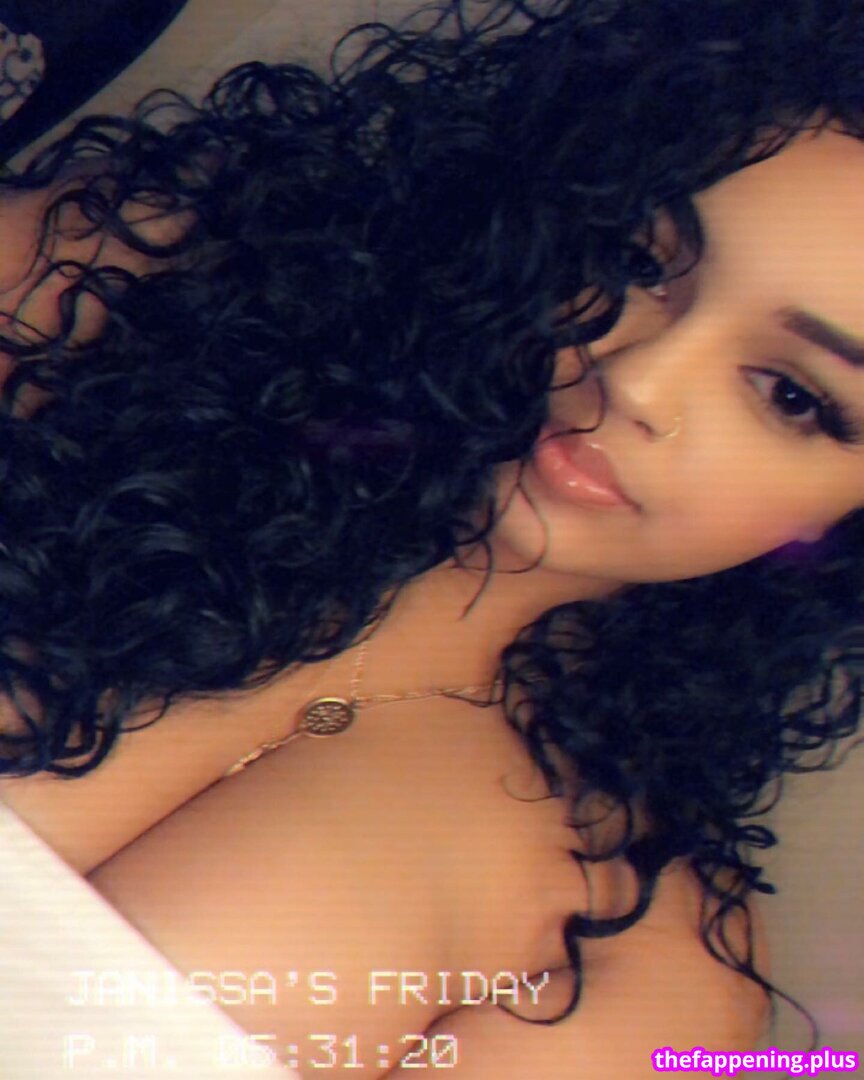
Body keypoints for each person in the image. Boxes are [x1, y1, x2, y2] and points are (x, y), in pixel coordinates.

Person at [0, 0, 862, 1074]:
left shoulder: (641, 967)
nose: (639, 379)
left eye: (790, 396)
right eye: (638, 262)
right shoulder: (124, 283)